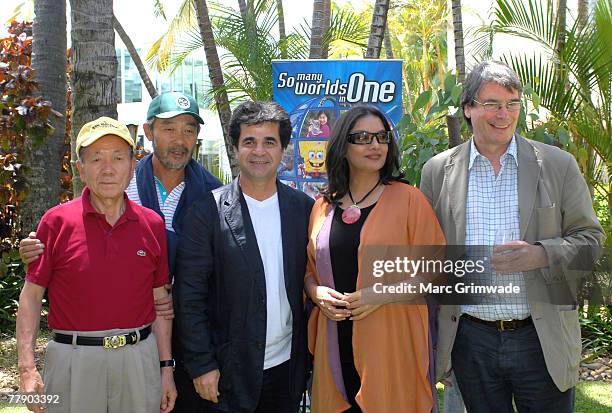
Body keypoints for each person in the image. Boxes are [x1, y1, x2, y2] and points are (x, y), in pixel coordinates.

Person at [18, 91, 222, 412]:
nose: (108, 168)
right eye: (96, 158)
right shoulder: (60, 220)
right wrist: (27, 369)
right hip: (79, 356)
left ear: (130, 162)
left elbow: (167, 293)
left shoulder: (211, 195)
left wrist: (166, 366)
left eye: (188, 129)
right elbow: (33, 293)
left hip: (160, 346)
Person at [420, 60, 604, 412]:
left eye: (512, 104)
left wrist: (542, 254)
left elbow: (591, 242)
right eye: (492, 104)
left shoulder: (558, 165)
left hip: (540, 337)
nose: (504, 114)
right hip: (471, 340)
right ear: (469, 108)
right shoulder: (437, 172)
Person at [304, 106, 446, 412]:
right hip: (335, 347)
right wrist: (316, 294)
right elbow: (310, 273)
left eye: (381, 137)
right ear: (343, 146)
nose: (375, 145)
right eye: (363, 137)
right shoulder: (322, 207)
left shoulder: (409, 200)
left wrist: (380, 294)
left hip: (391, 348)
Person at [174, 101, 314, 412]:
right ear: (236, 147)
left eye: (269, 142)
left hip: (286, 371)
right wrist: (201, 365)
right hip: (226, 372)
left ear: (283, 149)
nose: (259, 151)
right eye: (249, 141)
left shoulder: (303, 209)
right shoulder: (207, 212)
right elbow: (189, 297)